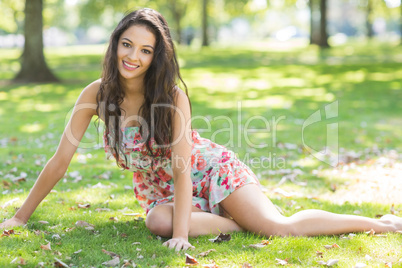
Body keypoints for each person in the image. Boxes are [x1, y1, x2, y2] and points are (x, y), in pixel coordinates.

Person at [1, 8, 401, 252]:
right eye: (127, 44)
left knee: (279, 228)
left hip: (210, 172)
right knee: (156, 222)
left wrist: (183, 237)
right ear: (114, 45)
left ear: (157, 56)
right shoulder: (95, 95)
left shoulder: (172, 96)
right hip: (162, 195)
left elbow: (181, 166)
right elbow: (60, 160)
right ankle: (242, 222)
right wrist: (21, 217)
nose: (133, 56)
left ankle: (380, 224)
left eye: (145, 50)